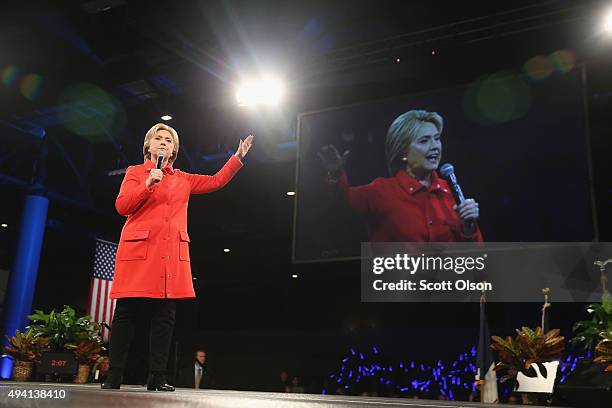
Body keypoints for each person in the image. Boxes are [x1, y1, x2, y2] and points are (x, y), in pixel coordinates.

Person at [102, 123, 253, 391]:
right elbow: (122, 206)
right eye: (158, 138)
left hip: (169, 257)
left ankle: (157, 377)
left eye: (168, 140)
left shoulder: (183, 178)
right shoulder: (136, 173)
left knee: (164, 317)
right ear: (148, 146)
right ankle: (114, 375)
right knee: (126, 314)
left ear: (174, 149)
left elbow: (216, 180)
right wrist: (148, 184)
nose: (162, 142)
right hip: (139, 254)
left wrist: (237, 157)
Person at [318, 110, 482, 242]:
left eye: (437, 138)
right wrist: (336, 174)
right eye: (424, 141)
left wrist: (469, 229)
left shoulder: (450, 191)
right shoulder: (381, 192)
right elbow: (342, 205)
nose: (435, 147)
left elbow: (476, 259)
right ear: (403, 152)